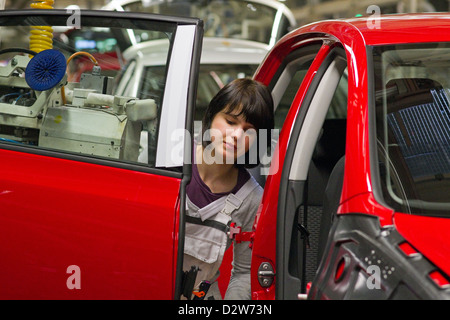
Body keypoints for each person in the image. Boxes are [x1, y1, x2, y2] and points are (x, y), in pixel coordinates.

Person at [183, 78, 274, 300]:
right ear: (211, 117)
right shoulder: (172, 164)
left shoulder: (251, 198)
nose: (236, 136)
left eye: (249, 131)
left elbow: (244, 272)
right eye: (231, 122)